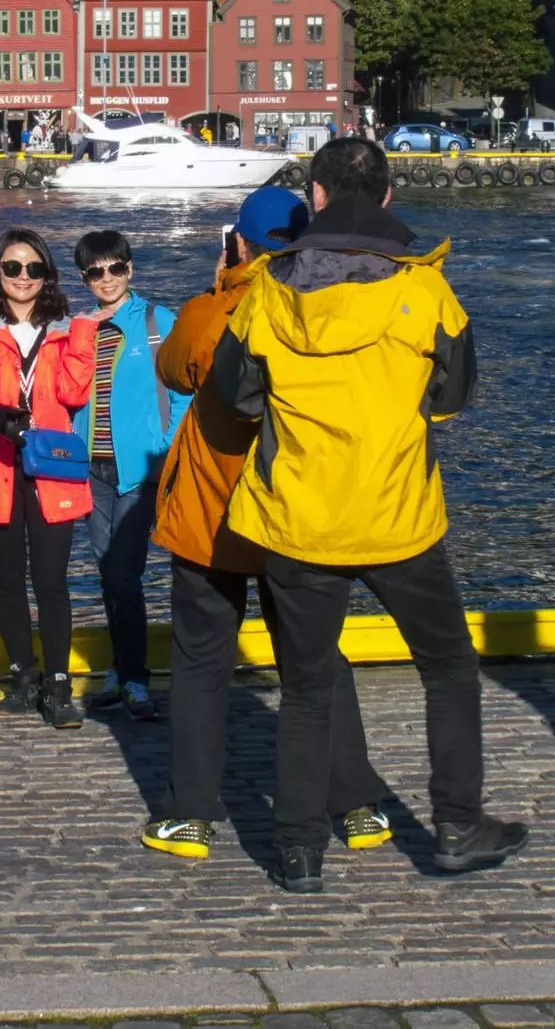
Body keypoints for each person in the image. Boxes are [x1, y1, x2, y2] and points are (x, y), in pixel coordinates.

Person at [211, 137, 528, 894]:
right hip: (397, 515)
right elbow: (452, 398)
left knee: (307, 686)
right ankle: (456, 823)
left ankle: (297, 851)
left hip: (298, 515)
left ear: (314, 197)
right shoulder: (426, 294)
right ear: (386, 198)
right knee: (448, 667)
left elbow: (235, 396)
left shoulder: (267, 292)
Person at [139, 186, 394, 864]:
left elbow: (175, 368)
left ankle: (191, 815)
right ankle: (359, 805)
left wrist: (220, 284)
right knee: (317, 660)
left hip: (214, 515)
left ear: (240, 244)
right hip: (301, 509)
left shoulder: (218, 307)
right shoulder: (335, 307)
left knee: (199, 662)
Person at [0, 229, 104, 728]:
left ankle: (58, 685)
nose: (22, 277)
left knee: (52, 581)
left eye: (33, 268)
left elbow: (74, 392)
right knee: (8, 579)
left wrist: (82, 333)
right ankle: (23, 676)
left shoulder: (65, 328)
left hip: (52, 464)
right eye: (12, 268)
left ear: (47, 275)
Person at [72, 230, 190, 721]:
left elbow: (186, 391)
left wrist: (161, 444)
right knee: (111, 574)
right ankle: (123, 673)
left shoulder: (159, 322)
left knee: (123, 570)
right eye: (96, 271)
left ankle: (135, 677)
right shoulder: (78, 327)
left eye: (115, 268)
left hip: (136, 469)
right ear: (85, 278)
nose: (106, 279)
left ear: (130, 270)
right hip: (87, 467)